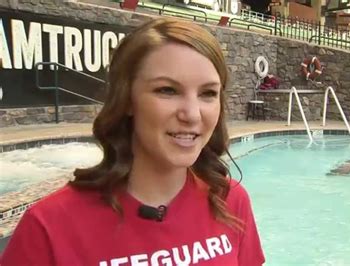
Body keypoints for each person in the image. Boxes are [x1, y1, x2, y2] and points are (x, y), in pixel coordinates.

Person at [0, 17, 265, 265]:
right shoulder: (49, 226)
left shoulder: (230, 201)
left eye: (207, 93)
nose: (192, 114)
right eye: (167, 90)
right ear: (127, 99)